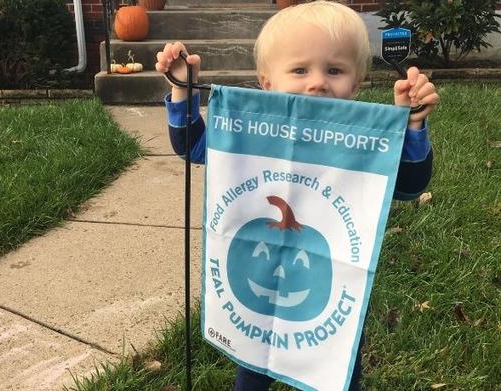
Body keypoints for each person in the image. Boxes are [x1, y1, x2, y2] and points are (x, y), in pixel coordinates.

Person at [155, 1, 439, 390]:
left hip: (333, 297)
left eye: (334, 70)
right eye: (300, 69)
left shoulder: (361, 142)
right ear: (267, 81)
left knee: (338, 369)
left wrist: (410, 128)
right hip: (255, 295)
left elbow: (408, 186)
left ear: (356, 84)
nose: (318, 82)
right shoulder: (250, 130)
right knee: (253, 368)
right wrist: (182, 90)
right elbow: (194, 148)